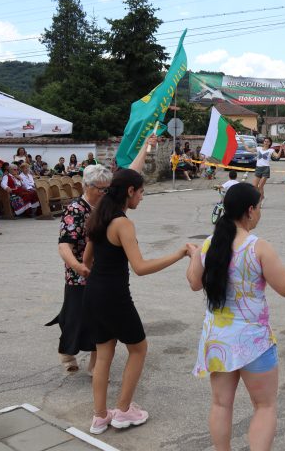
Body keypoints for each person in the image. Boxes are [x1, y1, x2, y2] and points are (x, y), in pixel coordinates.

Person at [186, 182, 285, 450]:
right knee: (264, 406)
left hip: (218, 341)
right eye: (259, 207)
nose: (260, 212)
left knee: (220, 404)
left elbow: (194, 282)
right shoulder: (258, 247)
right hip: (254, 342)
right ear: (250, 210)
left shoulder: (209, 244)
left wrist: (195, 255)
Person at [83, 168, 196, 434]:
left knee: (103, 355)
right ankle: (123, 410)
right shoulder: (122, 223)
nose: (143, 197)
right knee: (138, 348)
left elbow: (86, 261)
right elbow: (140, 267)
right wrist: (179, 253)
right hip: (114, 296)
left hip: (94, 293)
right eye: (142, 192)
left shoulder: (97, 216)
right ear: (130, 191)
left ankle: (100, 417)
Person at [46, 165, 113, 375]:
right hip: (79, 273)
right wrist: (78, 266)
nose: (103, 193)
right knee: (74, 316)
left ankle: (95, 364)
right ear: (86, 186)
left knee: (101, 319)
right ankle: (67, 351)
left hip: (102, 271)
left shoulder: (105, 207)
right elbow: (64, 244)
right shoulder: (75, 209)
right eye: (99, 188)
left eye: (106, 189)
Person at [239, 136, 280, 205]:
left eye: (268, 142)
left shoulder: (271, 150)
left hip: (265, 169)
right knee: (254, 186)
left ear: (270, 143)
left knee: (260, 186)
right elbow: (248, 149)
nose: (266, 143)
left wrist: (281, 149)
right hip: (258, 168)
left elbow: (277, 156)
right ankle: (262, 196)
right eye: (265, 141)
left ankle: (260, 200)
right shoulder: (258, 148)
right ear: (263, 142)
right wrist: (243, 142)